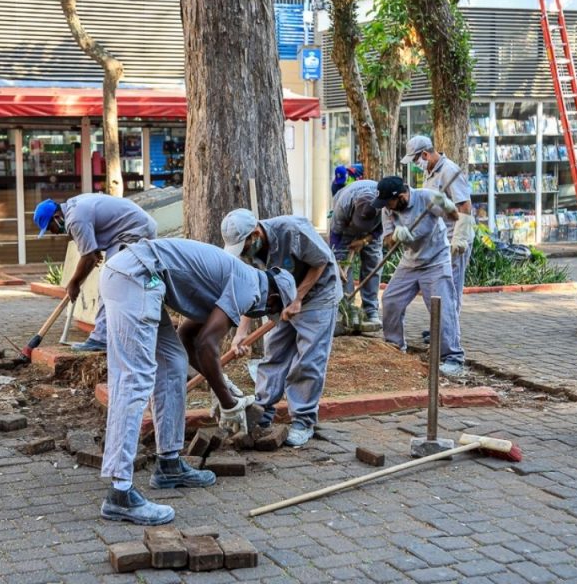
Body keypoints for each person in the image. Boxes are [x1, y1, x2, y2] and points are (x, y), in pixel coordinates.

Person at [98, 238, 295, 525]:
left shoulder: (238, 281)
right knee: (135, 379)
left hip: (139, 275)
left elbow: (188, 340)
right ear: (274, 299)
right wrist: (228, 403)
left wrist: (223, 385)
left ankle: (168, 465)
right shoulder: (250, 287)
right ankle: (119, 493)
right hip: (136, 276)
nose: (263, 315)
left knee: (173, 361)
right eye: (271, 311)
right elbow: (206, 345)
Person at [221, 209, 341, 447]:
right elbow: (251, 291)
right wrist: (241, 334)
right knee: (274, 353)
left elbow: (321, 262)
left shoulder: (293, 231)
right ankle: (262, 411)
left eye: (244, 246)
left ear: (255, 234)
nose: (243, 252)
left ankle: (303, 420)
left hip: (318, 294)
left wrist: (298, 299)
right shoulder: (248, 250)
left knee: (309, 358)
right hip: (283, 296)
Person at [33, 194, 157, 351]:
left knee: (110, 284)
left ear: (56, 217)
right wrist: (94, 252)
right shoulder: (74, 206)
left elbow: (88, 258)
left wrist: (74, 283)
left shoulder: (75, 219)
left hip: (133, 231)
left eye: (51, 228)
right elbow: (91, 250)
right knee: (119, 286)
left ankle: (101, 339)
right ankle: (118, 336)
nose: (54, 232)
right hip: (132, 229)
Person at [374, 176, 466, 376]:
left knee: (442, 308)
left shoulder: (426, 198)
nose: (387, 207)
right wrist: (397, 235)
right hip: (410, 262)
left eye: (389, 202)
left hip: (436, 260)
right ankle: (395, 347)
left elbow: (455, 217)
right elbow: (388, 241)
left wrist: (446, 205)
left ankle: (452, 357)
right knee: (390, 300)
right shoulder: (387, 209)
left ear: (402, 196)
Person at [404, 136, 475, 343]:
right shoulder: (430, 172)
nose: (417, 165)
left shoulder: (449, 171)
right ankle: (440, 328)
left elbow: (465, 206)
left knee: (451, 287)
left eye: (417, 160)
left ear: (425, 154)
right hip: (442, 239)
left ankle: (450, 334)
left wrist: (460, 238)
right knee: (441, 286)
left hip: (455, 240)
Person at [329, 179, 383, 328]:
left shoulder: (384, 204)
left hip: (373, 232)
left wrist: (365, 241)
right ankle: (348, 310)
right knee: (344, 268)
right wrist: (338, 261)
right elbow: (335, 235)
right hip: (346, 230)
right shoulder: (343, 205)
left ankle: (370, 311)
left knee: (373, 265)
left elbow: (382, 230)